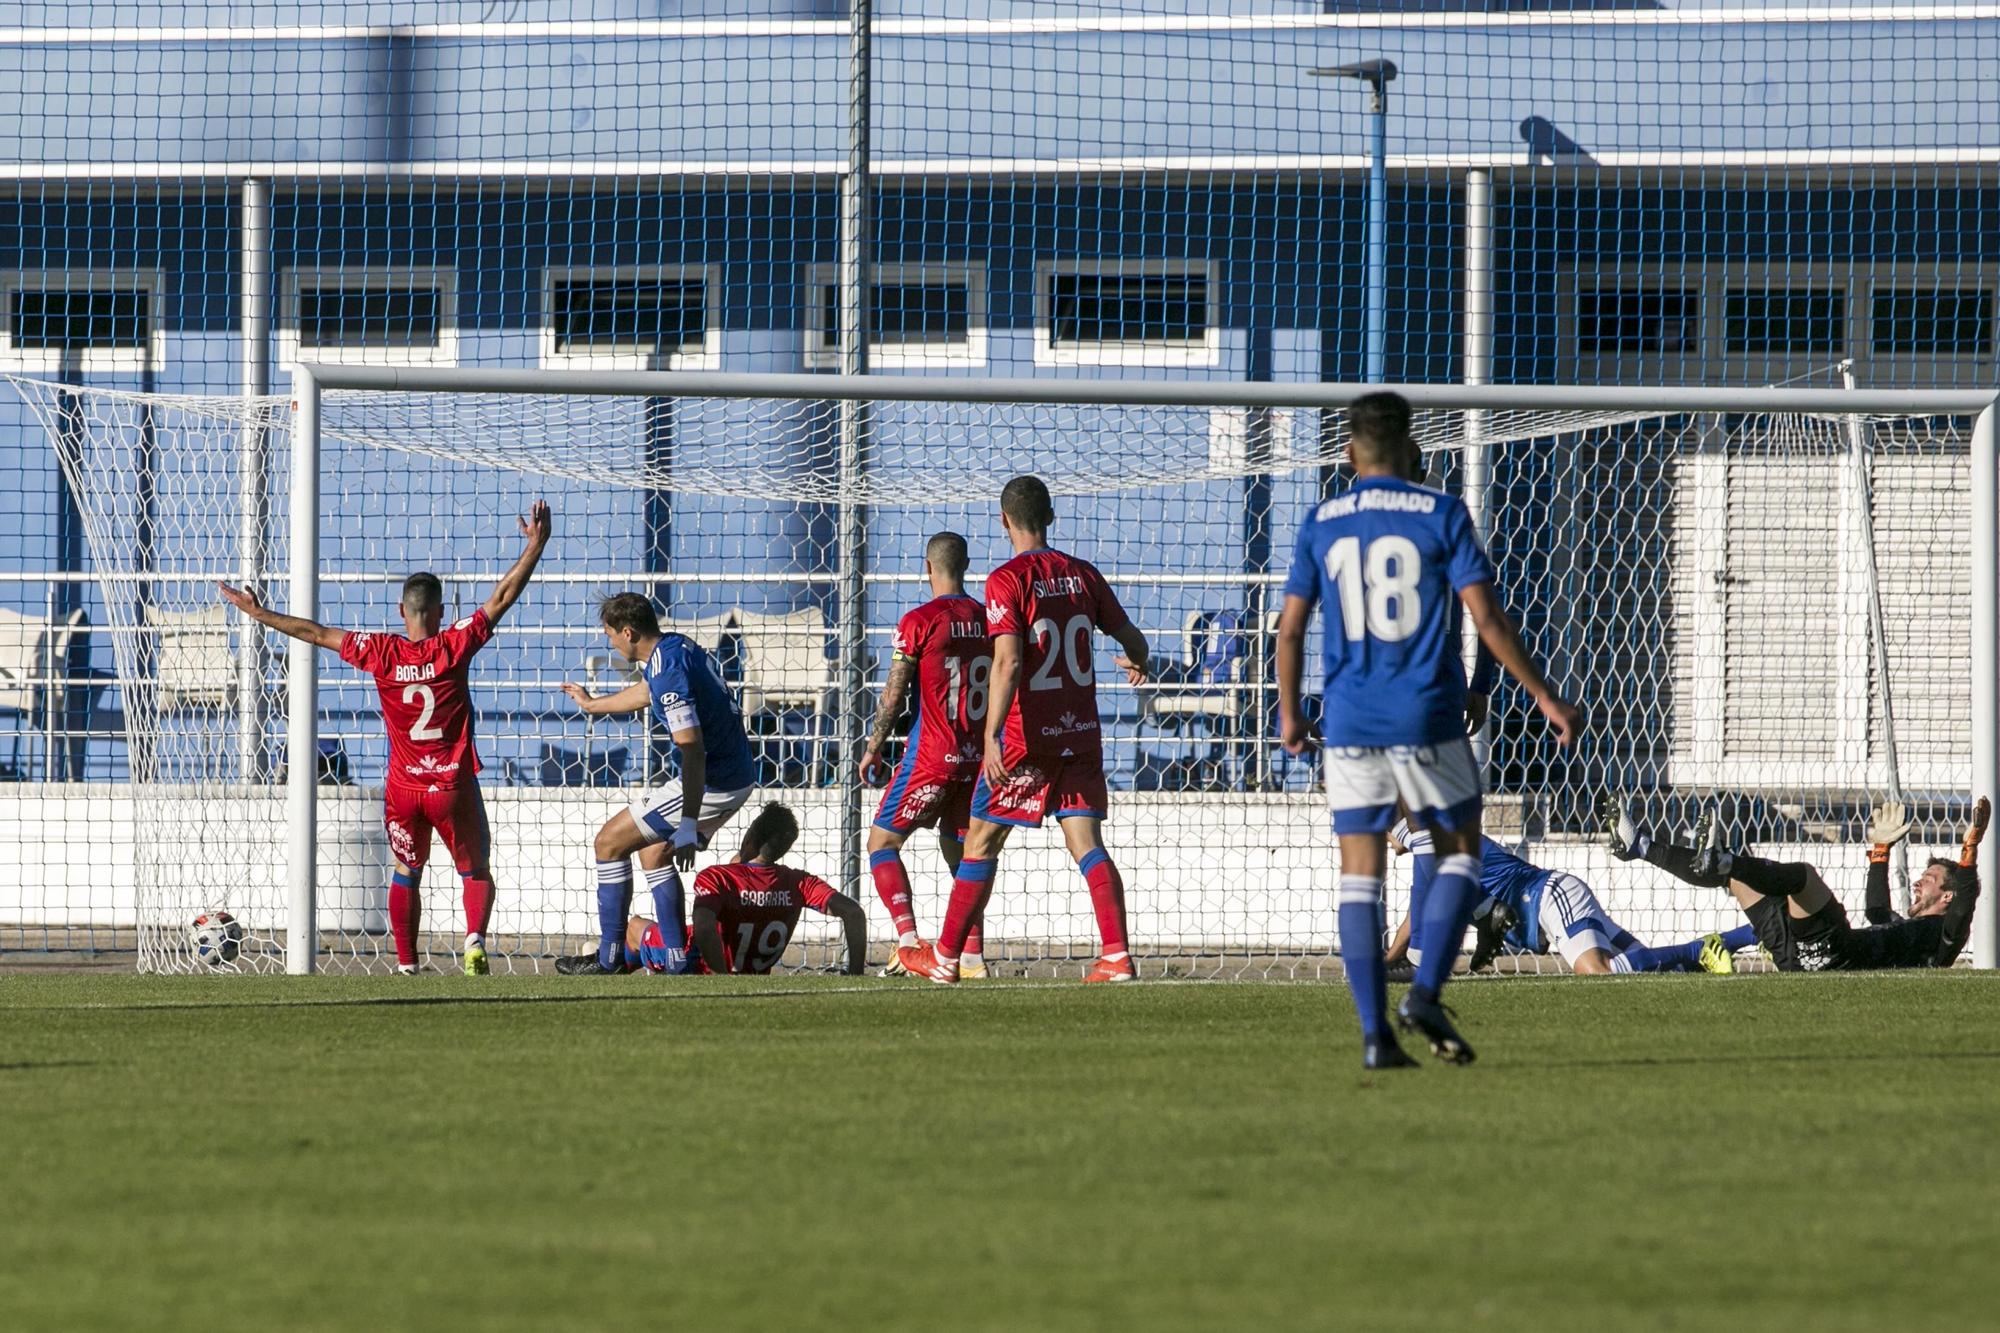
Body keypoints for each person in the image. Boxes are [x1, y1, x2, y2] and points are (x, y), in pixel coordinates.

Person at [1276, 391, 1583, 1069]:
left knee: (1360, 874)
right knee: (1458, 855)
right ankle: (1424, 993)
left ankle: (1372, 1033)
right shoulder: (1443, 513)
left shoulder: (1322, 520)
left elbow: (1290, 627)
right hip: (1429, 716)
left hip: (1352, 722)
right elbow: (1490, 620)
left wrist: (1290, 712)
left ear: (1352, 452)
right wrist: (1546, 697)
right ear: (1413, 449)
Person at [218, 500, 552, 976]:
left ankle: (408, 964)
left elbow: (312, 633)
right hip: (451, 786)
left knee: (405, 871)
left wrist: (259, 613)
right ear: (440, 611)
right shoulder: (454, 643)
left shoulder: (379, 650)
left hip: (403, 790)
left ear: (402, 611)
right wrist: (535, 545)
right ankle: (474, 940)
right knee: (475, 869)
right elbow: (501, 597)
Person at [895, 475, 1153, 985]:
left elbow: (1009, 663)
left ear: (1004, 520)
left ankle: (946, 957)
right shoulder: (1084, 575)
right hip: (1079, 733)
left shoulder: (1006, 581)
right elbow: (1133, 639)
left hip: (1026, 739)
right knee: (1087, 843)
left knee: (980, 844)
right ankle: (1117, 955)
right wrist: (1136, 661)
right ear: (1051, 516)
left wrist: (991, 735)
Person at [554, 593, 759, 976]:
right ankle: (678, 959)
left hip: (715, 778)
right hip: (734, 773)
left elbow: (692, 750)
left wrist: (687, 822)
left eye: (611, 634)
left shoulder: (667, 674)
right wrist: (593, 704)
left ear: (628, 631)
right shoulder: (673, 648)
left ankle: (609, 958)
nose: (610, 642)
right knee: (652, 854)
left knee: (609, 843)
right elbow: (646, 692)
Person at [1606, 795, 1987, 972]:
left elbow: (1966, 904)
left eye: (1930, 879)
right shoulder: (1908, 932)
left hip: (1836, 956)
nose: (1920, 882)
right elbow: (1875, 910)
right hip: (1800, 961)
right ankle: (1639, 846)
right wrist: (1880, 850)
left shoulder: (1943, 939)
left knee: (1802, 876)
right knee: (1737, 878)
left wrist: (1970, 848)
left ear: (1948, 895)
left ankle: (1719, 858)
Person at [859, 531, 992, 978]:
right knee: (965, 855)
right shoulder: (991, 619)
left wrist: (874, 747)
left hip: (931, 757)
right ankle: (970, 956)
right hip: (977, 761)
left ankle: (908, 942)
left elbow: (894, 696)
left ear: (927, 567)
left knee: (882, 843)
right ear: (967, 564)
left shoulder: (919, 620)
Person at [1384, 818, 1751, 976]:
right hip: (1549, 907)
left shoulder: (1441, 846)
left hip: (1549, 897)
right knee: (1649, 969)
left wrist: (1390, 960)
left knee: (1597, 973)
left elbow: (1421, 914)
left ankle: (1700, 949)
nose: (1385, 841)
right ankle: (1754, 935)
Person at [622, 803, 869, 976]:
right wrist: (856, 974)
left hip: (697, 964)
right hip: (753, 971)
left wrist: (721, 979)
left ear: (750, 836)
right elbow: (854, 913)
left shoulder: (718, 877)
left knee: (635, 926)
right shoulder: (799, 883)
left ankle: (613, 966)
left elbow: (705, 927)